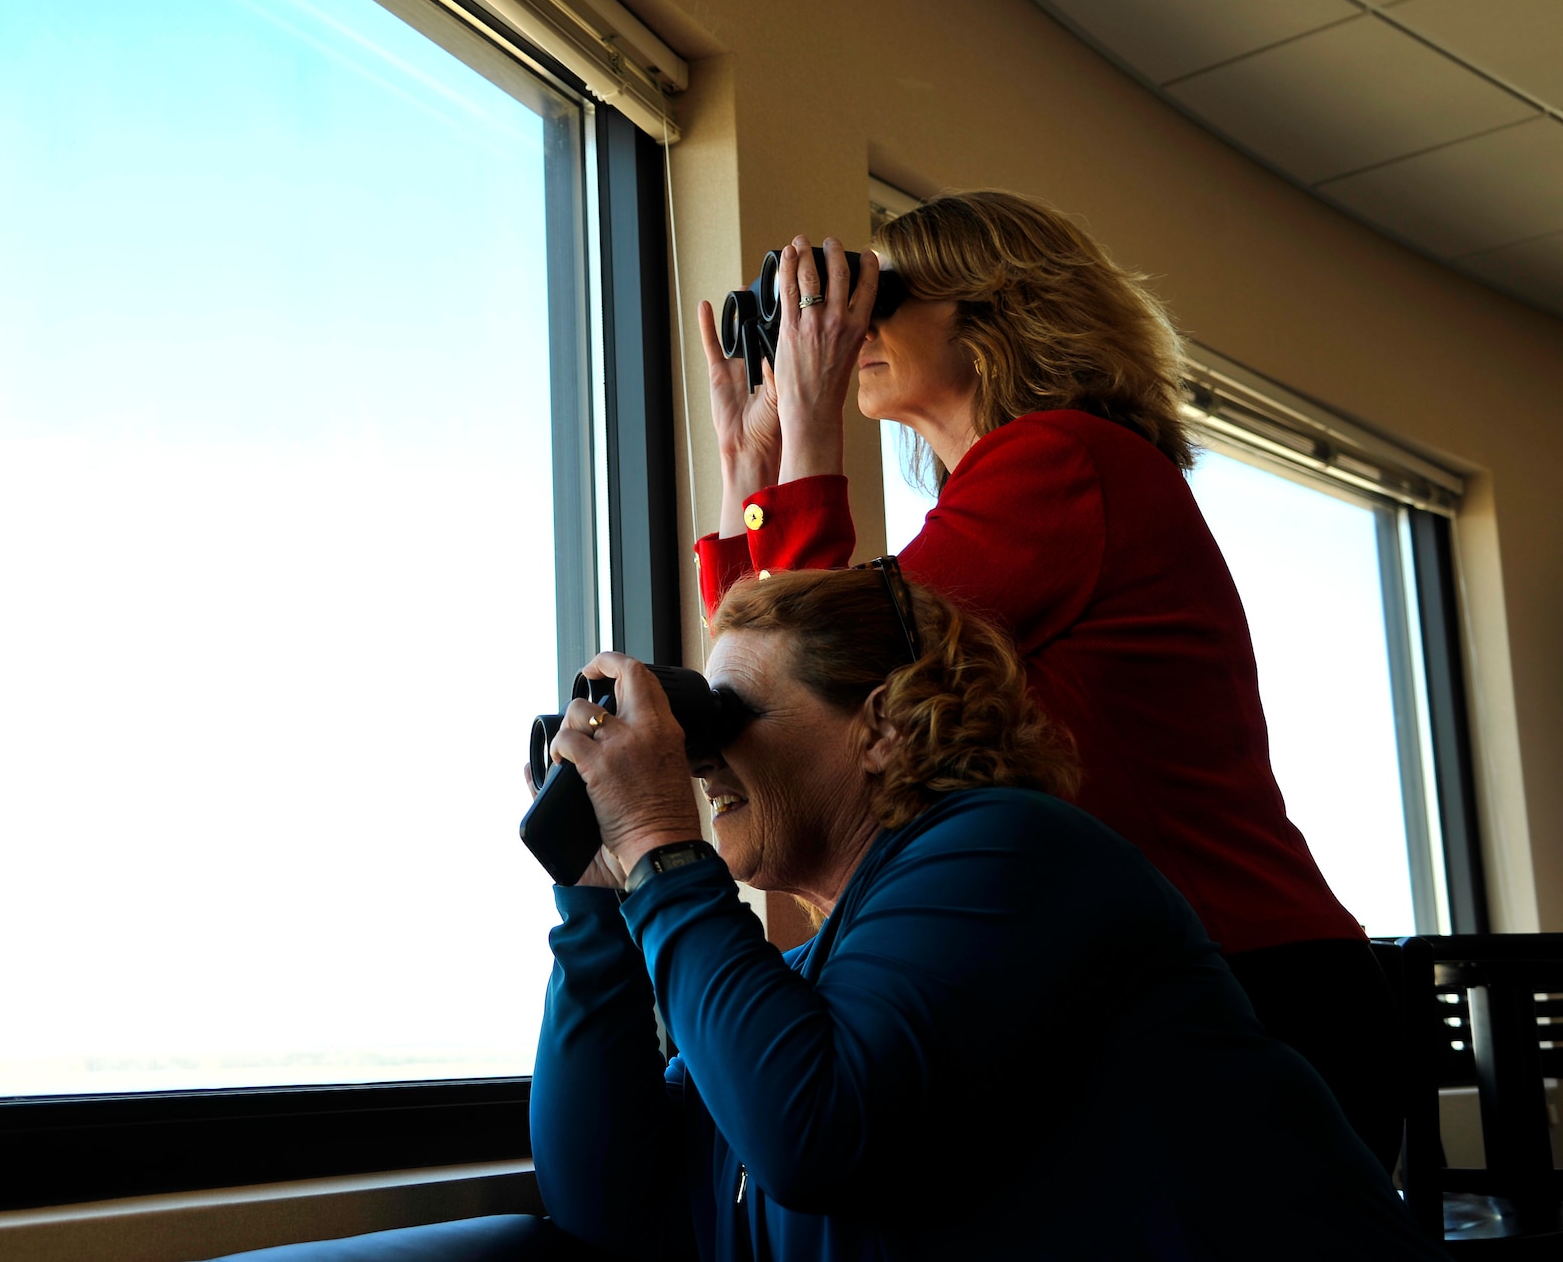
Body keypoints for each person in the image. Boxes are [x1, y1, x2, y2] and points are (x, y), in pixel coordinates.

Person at [693, 190, 1400, 1167]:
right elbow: (765, 691)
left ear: (992, 318)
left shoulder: (1063, 458)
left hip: (1249, 988)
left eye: (881, 294)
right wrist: (751, 462)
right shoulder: (1010, 495)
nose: (850, 326)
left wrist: (810, 429)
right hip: (1179, 976)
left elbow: (815, 673)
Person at [529, 567, 1437, 1261]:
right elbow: (607, 1205)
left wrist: (656, 837)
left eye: (722, 721)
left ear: (880, 726)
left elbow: (812, 1133)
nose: (700, 763)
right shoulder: (803, 986)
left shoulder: (1017, 854)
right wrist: (595, 899)